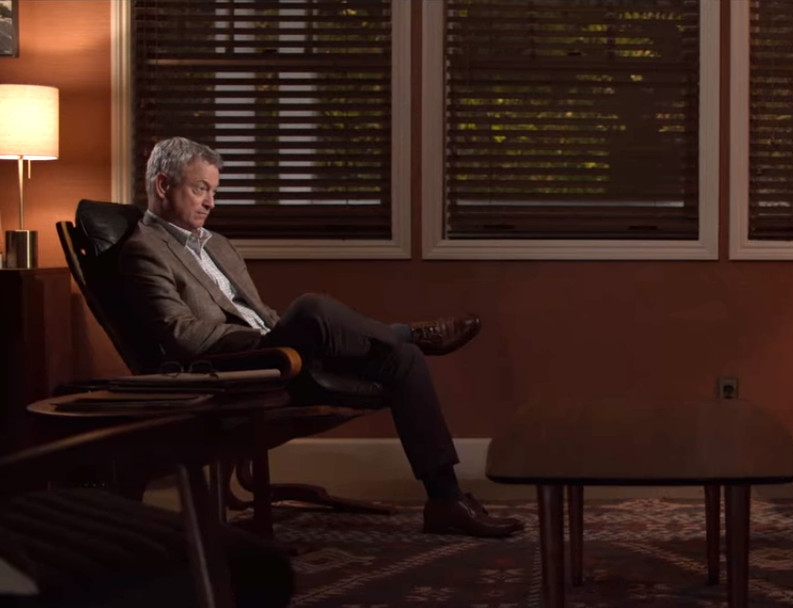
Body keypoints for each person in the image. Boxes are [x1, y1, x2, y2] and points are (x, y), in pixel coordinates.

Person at [119, 137, 523, 539]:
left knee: (403, 359)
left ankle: (446, 500)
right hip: (237, 364)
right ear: (163, 185)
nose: (210, 202)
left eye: (214, 191)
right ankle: (410, 332)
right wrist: (264, 338)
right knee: (312, 308)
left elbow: (257, 310)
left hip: (278, 350)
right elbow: (183, 335)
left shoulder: (217, 245)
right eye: (200, 189)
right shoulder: (145, 250)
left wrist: (280, 331)